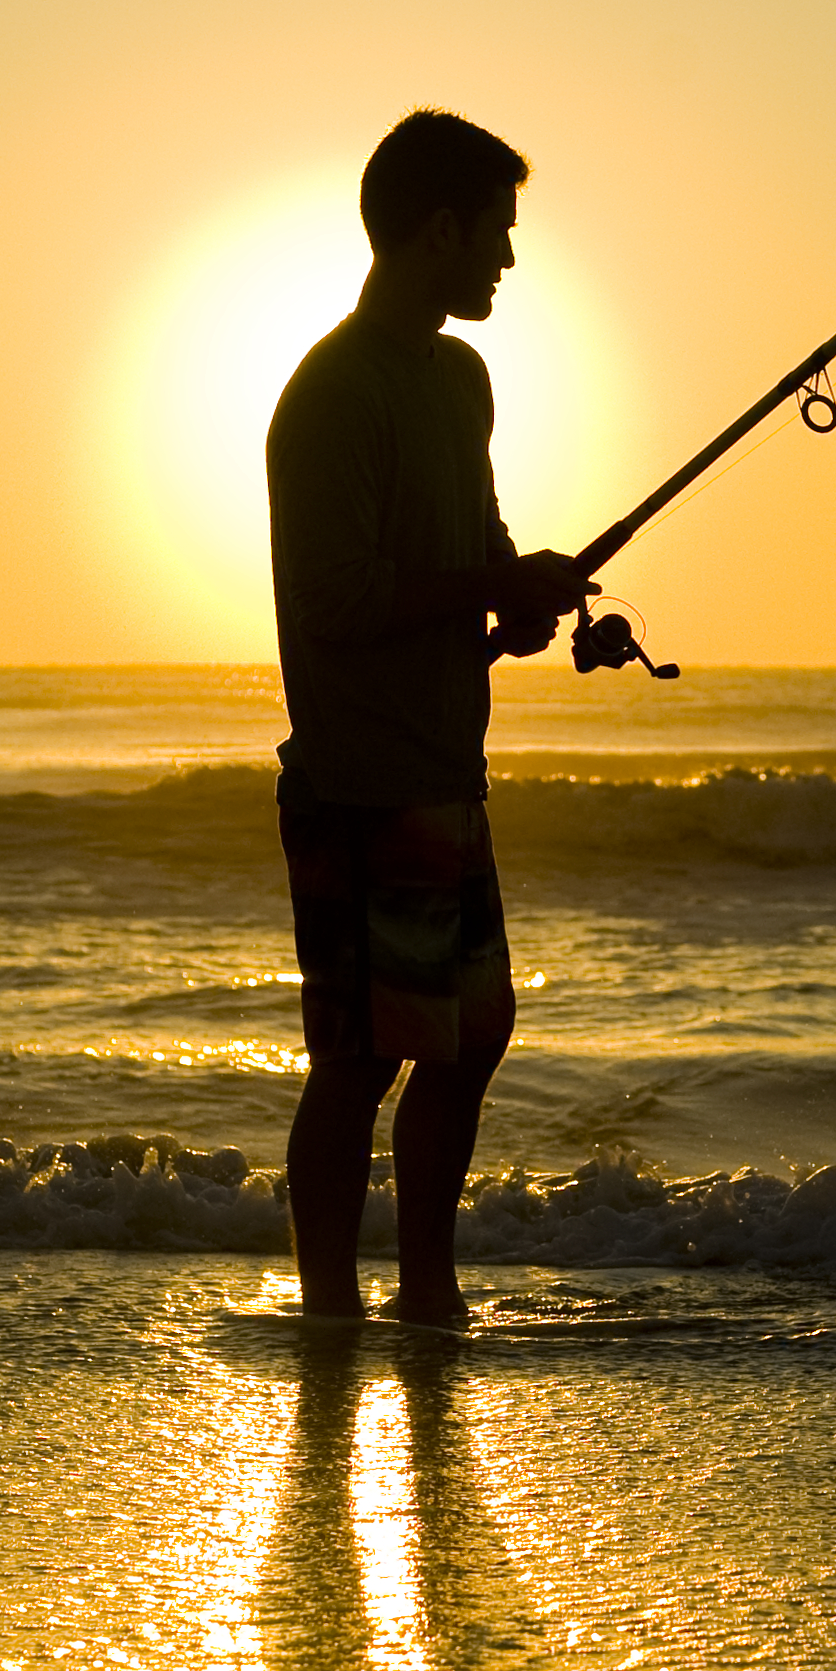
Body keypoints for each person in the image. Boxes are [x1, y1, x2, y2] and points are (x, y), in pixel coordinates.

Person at [264, 109, 588, 1323]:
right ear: (439, 228)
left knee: (473, 1035)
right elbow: (340, 601)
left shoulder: (463, 381)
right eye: (496, 231)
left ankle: (429, 1295)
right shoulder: (332, 394)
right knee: (360, 1058)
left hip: (448, 772)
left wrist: (521, 601)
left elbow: (473, 543)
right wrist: (490, 586)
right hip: (357, 783)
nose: (506, 257)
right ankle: (329, 1314)